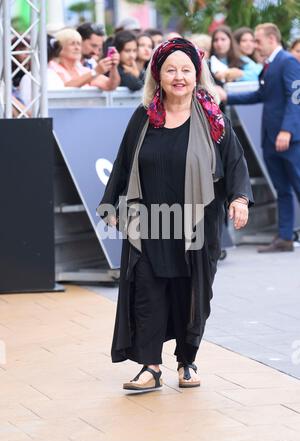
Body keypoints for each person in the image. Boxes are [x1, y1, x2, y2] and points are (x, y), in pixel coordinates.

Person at [96, 38, 253, 391]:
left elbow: (235, 164)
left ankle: (186, 360)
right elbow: (123, 162)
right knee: (147, 293)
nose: (179, 76)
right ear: (158, 75)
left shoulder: (214, 119)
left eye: (186, 70)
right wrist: (110, 205)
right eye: (171, 70)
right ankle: (150, 366)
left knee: (191, 294)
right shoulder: (143, 117)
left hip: (197, 225)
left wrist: (239, 198)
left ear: (197, 75)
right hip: (149, 221)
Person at [222, 23, 300, 253]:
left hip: (288, 139)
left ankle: (286, 236)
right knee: (282, 189)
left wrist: (288, 130)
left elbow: (295, 97)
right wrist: (228, 97)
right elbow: (261, 94)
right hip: (271, 139)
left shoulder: (287, 61)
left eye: (258, 40)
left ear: (272, 39)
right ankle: (285, 237)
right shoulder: (270, 65)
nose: (254, 45)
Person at [49, 28, 120, 91]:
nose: (77, 48)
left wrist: (113, 68)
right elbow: (64, 88)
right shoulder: (51, 68)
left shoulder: (83, 70)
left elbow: (110, 86)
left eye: (79, 44)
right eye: (72, 44)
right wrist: (95, 72)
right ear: (60, 48)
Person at [19, 35, 64, 106]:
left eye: (28, 50)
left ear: (33, 52)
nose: (26, 55)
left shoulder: (29, 77)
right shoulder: (55, 76)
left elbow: (25, 106)